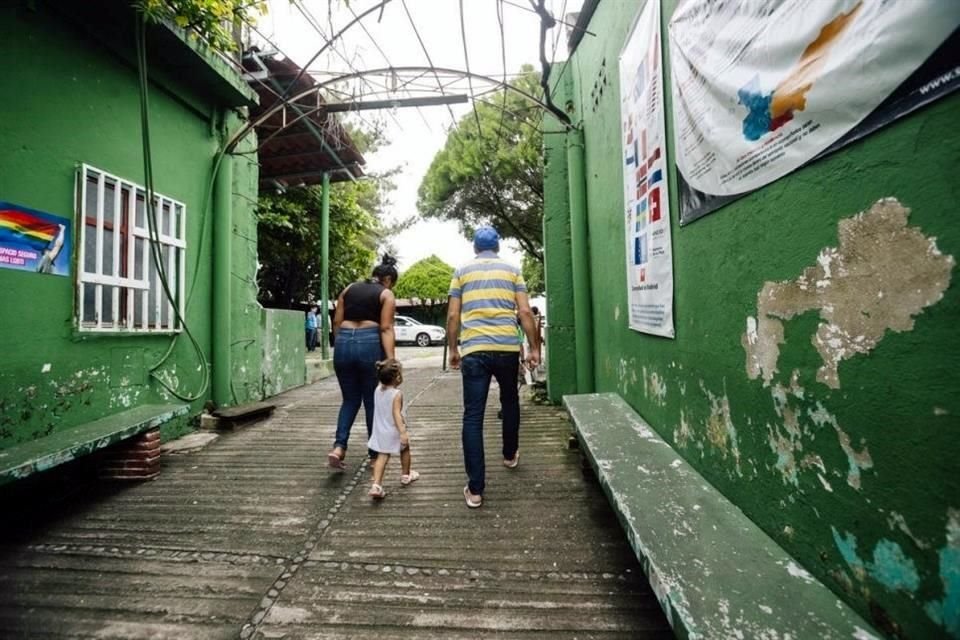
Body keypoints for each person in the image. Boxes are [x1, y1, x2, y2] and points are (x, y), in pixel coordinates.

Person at [446, 226, 540, 508]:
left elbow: (453, 314)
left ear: (475, 248)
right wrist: (534, 347)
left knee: (472, 416)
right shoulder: (512, 270)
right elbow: (524, 311)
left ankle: (475, 490)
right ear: (497, 247)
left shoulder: (461, 271)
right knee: (510, 400)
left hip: (474, 349)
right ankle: (510, 455)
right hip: (507, 349)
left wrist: (453, 349)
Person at [328, 254, 398, 470]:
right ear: (387, 280)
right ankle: (373, 454)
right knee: (371, 401)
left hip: (343, 343)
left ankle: (339, 448)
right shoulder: (386, 294)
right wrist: (391, 360)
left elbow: (337, 323)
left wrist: (342, 346)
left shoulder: (348, 289)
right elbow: (386, 328)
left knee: (349, 400)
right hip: (369, 341)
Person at [367, 359, 419, 499]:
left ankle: (376, 485)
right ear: (397, 378)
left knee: (382, 456)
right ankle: (405, 475)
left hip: (380, 431)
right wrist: (402, 432)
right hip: (394, 430)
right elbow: (396, 414)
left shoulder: (377, 390)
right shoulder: (397, 394)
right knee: (405, 449)